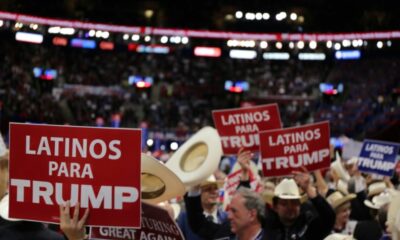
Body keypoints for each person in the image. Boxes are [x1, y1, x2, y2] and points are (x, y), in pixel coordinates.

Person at [264, 171, 335, 240]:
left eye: (294, 202)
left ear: (300, 205)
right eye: (284, 204)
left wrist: (308, 189)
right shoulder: (266, 228)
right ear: (275, 207)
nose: (290, 207)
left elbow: (329, 217)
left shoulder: (308, 226)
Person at [184, 186, 266, 239]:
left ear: (252, 215)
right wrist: (194, 188)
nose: (229, 216)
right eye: (229, 210)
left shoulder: (273, 236)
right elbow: (199, 225)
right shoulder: (226, 232)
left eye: (234, 211)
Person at [177, 174, 228, 240]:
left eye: (216, 188)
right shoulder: (185, 218)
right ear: (197, 193)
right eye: (208, 189)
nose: (214, 192)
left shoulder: (227, 218)